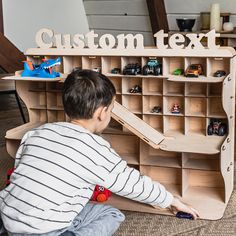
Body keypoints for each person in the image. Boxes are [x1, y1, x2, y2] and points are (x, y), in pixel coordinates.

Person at [0, 69, 199, 235]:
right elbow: (132, 182)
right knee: (111, 214)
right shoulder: (94, 148)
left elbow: (21, 167)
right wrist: (170, 200)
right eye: (111, 109)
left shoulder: (38, 132)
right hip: (44, 229)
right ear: (102, 112)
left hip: (9, 216)